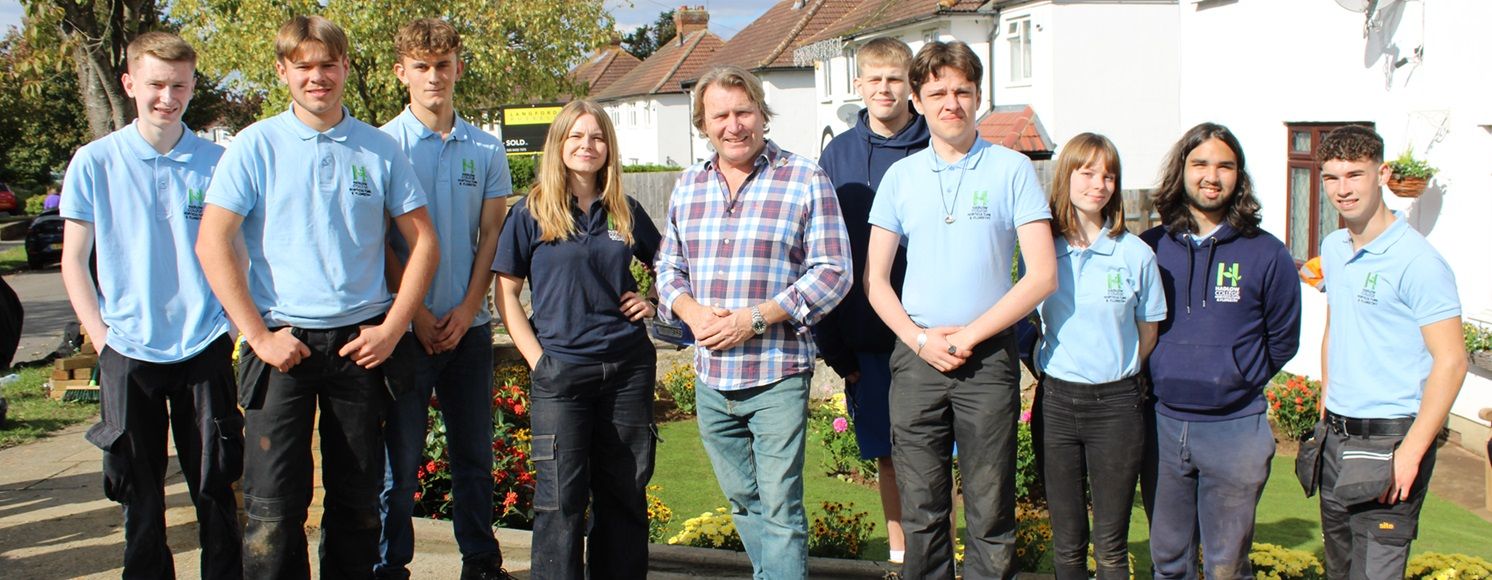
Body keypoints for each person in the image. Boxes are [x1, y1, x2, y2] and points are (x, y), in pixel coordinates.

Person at [196, 15, 439, 579]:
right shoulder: (255, 146)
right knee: (272, 508)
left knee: (357, 505)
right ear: (283, 71)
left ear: (345, 67)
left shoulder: (378, 149)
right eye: (303, 66)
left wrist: (394, 326)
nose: (317, 77)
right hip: (282, 344)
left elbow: (424, 241)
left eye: (328, 65)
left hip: (361, 345)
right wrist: (256, 336)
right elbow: (212, 241)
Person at [865, 40, 1057, 579]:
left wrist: (970, 334)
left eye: (962, 91)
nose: (951, 102)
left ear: (978, 97)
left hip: (987, 358)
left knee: (991, 508)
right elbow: (876, 282)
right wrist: (922, 339)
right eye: (937, 92)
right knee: (922, 509)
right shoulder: (901, 179)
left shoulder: (1013, 169)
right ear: (919, 102)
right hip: (917, 355)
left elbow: (1041, 275)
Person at [654, 64, 851, 579]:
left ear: (762, 114)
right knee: (743, 500)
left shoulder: (804, 177)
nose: (733, 124)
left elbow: (834, 271)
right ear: (703, 123)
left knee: (781, 507)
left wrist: (757, 319)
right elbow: (667, 268)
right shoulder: (688, 185)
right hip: (710, 376)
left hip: (776, 372)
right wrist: (689, 310)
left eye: (744, 111)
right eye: (720, 115)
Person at [58, 31, 241, 579]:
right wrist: (100, 332)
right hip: (129, 349)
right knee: (138, 494)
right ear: (129, 83)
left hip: (203, 342)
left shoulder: (218, 162)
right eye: (156, 84)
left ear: (191, 85)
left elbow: (241, 251)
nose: (168, 96)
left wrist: (231, 324)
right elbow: (74, 260)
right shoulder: (95, 162)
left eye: (179, 85)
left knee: (215, 485)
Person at [492, 98, 661, 580]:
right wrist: (539, 361)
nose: (588, 146)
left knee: (625, 494)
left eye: (598, 137)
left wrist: (651, 301)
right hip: (562, 374)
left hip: (627, 371)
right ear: (559, 144)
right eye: (577, 136)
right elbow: (506, 293)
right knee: (560, 502)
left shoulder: (625, 210)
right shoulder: (531, 212)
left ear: (609, 146)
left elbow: (671, 267)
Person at [374, 18, 514, 580]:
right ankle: (390, 566)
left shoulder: (485, 148)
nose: (434, 77)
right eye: (422, 67)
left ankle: (480, 561)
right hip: (404, 332)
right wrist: (416, 315)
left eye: (443, 65)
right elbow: (376, 242)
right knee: (399, 464)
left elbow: (493, 239)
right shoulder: (381, 145)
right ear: (401, 73)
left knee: (474, 458)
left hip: (469, 329)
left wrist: (464, 309)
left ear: (458, 67)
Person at [1139, 122, 1301, 579]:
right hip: (1163, 426)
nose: (1212, 175)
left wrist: (1236, 377)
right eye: (1201, 164)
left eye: (1225, 166)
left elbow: (1283, 339)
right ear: (1182, 171)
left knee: (1227, 565)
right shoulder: (1148, 248)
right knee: (1169, 560)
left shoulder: (1267, 253)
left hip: (1235, 430)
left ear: (1239, 176)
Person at [1314, 125, 1466, 579]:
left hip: (1391, 440)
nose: (1342, 190)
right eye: (1331, 177)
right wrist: (1326, 404)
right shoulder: (1335, 248)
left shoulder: (1418, 261)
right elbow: (1335, 327)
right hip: (1336, 438)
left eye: (1354, 175)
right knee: (1339, 570)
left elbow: (1453, 360)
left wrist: (1412, 450)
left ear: (1381, 174)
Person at [813, 36, 927, 566]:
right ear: (859, 84)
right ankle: (902, 560)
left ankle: (938, 558)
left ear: (910, 84)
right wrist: (837, 351)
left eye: (895, 79)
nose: (884, 89)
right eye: (874, 79)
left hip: (933, 333)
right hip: (867, 339)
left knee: (934, 459)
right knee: (886, 456)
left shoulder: (938, 143)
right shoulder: (837, 155)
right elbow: (821, 252)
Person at [1032, 133, 1164, 580]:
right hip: (1057, 406)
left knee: (1110, 546)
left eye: (1108, 175)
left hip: (1117, 408)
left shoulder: (1136, 254)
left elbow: (1148, 332)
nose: (1099, 184)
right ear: (1065, 176)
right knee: (1067, 545)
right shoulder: (1042, 249)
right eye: (1087, 172)